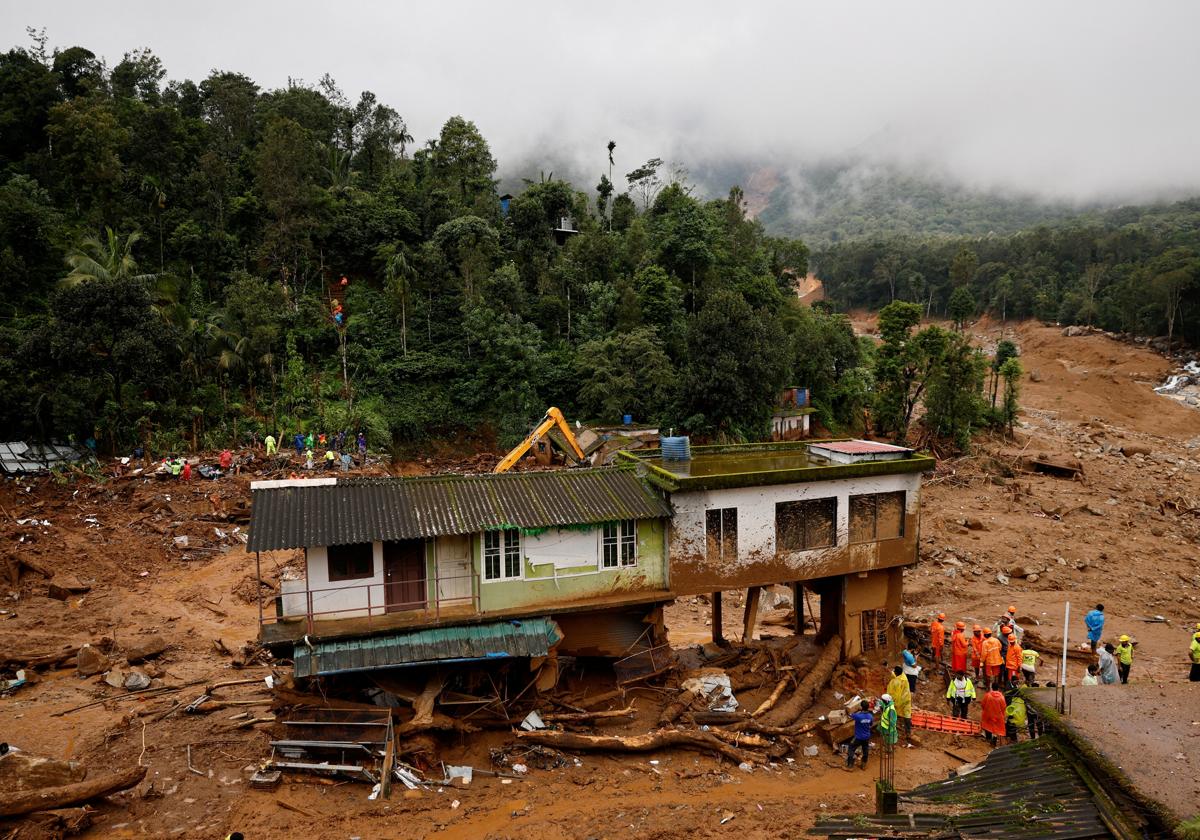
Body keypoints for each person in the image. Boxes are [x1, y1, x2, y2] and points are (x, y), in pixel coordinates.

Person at [886, 666, 913, 744]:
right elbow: (894, 675)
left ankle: (892, 732)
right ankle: (908, 732)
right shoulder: (903, 677)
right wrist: (887, 668)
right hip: (907, 700)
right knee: (907, 715)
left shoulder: (896, 682)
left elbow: (895, 694)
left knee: (893, 715)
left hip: (901, 701)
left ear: (896, 673)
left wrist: (894, 703)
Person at [846, 700, 873, 770]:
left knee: (851, 748)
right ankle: (864, 764)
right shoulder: (870, 716)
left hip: (858, 737)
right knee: (865, 749)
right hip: (867, 736)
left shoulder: (858, 716)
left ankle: (850, 765)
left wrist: (856, 710)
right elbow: (870, 724)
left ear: (861, 707)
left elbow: (849, 713)